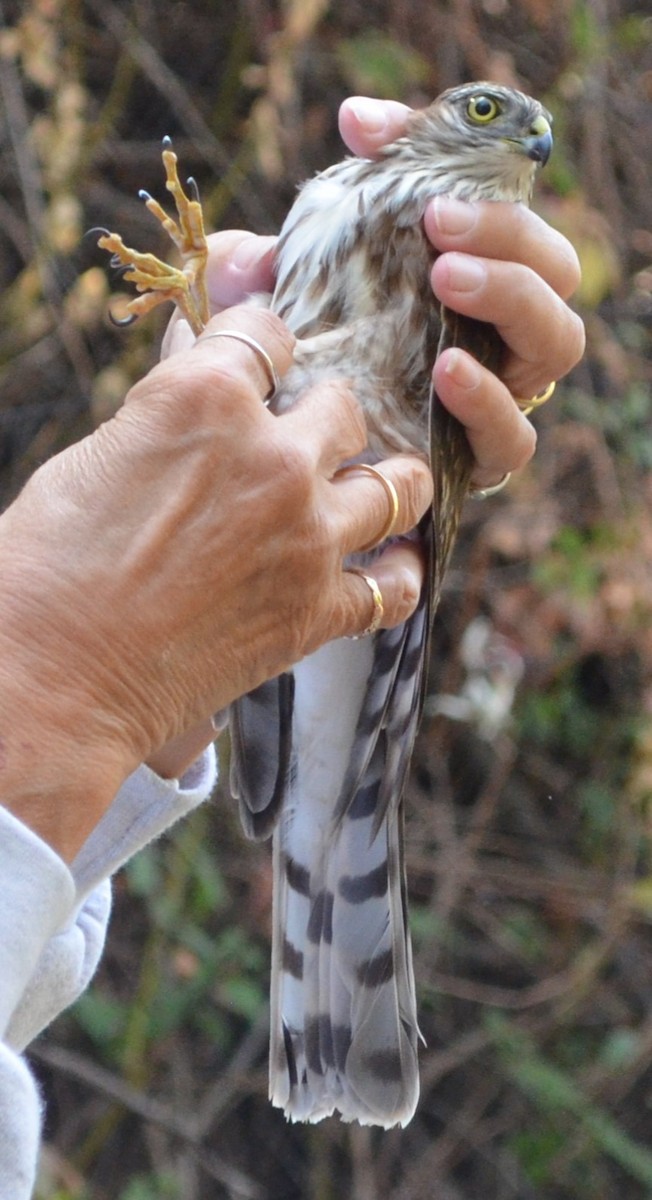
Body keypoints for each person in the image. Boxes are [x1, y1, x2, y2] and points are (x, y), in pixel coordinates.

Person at [0, 96, 584, 1195]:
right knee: (328, 811)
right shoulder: (344, 199)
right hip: (328, 550)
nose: (528, 141)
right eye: (492, 112)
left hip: (353, 547)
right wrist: (79, 657)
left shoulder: (394, 229)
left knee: (335, 806)